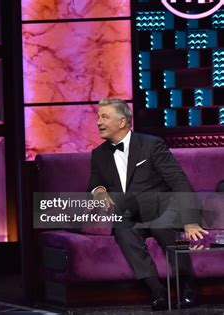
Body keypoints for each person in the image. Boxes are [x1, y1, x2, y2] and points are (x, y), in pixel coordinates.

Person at [88, 98, 208, 311]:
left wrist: (190, 221)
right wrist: (99, 191)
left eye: (104, 116)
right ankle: (157, 292)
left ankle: (188, 287)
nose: (98, 122)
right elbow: (95, 182)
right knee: (123, 231)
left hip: (162, 206)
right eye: (98, 117)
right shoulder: (99, 154)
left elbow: (178, 180)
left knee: (161, 227)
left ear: (123, 121)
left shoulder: (151, 144)